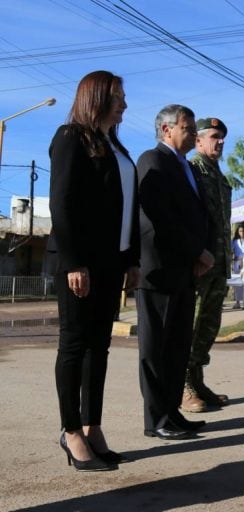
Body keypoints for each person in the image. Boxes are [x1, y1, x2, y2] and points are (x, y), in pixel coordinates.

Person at [49, 70, 139, 471]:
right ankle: (70, 432)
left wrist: (132, 259)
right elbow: (62, 204)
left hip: (112, 262)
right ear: (96, 97)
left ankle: (92, 427)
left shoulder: (115, 147)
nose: (123, 103)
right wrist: (74, 262)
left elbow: (128, 209)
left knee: (98, 348)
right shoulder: (70, 138)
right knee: (74, 345)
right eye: (118, 96)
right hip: (80, 264)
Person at [136, 104, 213, 441]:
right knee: (156, 349)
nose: (193, 131)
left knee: (178, 347)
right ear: (166, 130)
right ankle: (156, 419)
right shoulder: (153, 161)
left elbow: (200, 214)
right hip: (160, 271)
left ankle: (172, 413)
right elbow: (161, 218)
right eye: (188, 125)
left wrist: (202, 252)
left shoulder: (187, 167)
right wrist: (196, 250)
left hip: (185, 270)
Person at [183, 116, 232, 414]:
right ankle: (182, 384)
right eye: (215, 135)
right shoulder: (191, 170)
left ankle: (198, 380)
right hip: (200, 264)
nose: (221, 141)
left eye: (223, 136)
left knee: (208, 326)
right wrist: (195, 253)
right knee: (191, 325)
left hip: (220, 264)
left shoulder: (219, 176)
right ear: (198, 140)